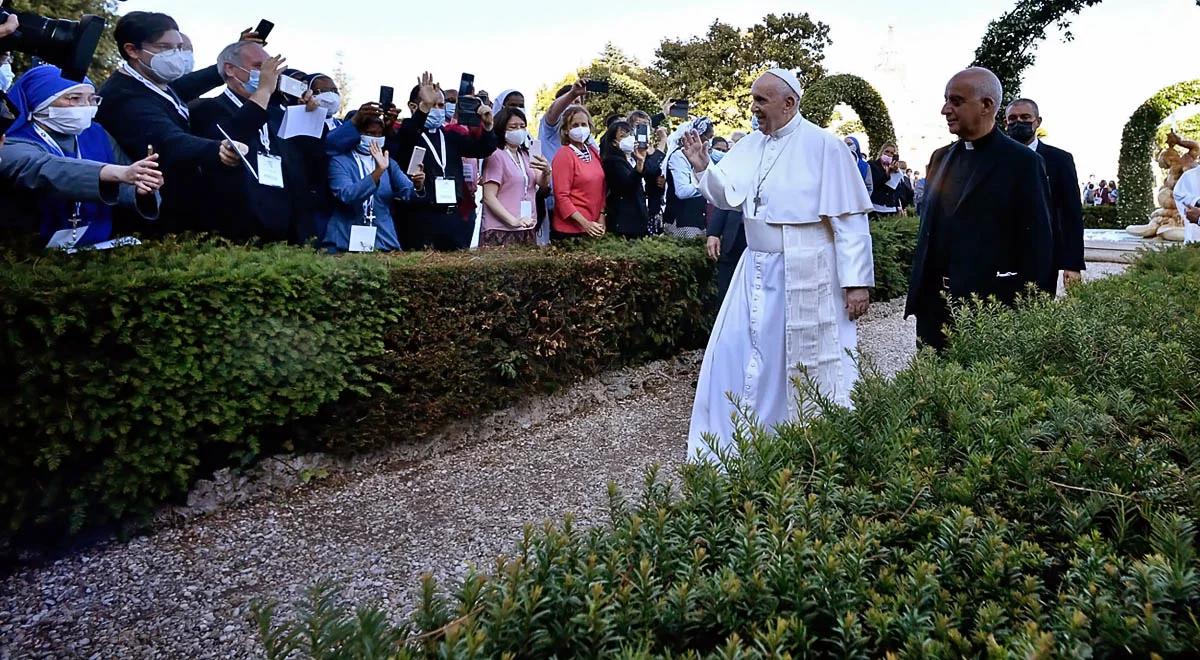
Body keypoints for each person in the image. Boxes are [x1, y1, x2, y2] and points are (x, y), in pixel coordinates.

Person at [680, 68, 875, 461]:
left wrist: (857, 283)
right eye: (753, 99)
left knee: (795, 360)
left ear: (789, 103)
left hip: (807, 267)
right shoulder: (751, 145)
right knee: (738, 351)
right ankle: (739, 441)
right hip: (754, 268)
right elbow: (728, 196)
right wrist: (703, 166)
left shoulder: (826, 146)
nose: (753, 108)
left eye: (761, 100)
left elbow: (850, 221)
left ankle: (801, 446)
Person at [905, 67, 1055, 352]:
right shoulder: (940, 158)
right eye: (946, 100)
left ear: (987, 105)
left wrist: (1031, 314)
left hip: (988, 309)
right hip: (934, 307)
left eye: (956, 101)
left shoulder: (1022, 163)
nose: (945, 109)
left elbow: (1038, 245)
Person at [96, 12, 252, 234]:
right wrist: (216, 148)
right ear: (132, 50)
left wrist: (228, 65)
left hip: (177, 207)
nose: (176, 55)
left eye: (179, 47)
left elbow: (186, 86)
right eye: (164, 47)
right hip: (148, 215)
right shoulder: (124, 96)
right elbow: (167, 140)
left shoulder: (154, 82)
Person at [0, 65, 164, 248]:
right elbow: (42, 168)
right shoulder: (9, 140)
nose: (86, 107)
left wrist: (141, 189)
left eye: (92, 99)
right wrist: (112, 173)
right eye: (74, 98)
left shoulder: (95, 133)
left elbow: (128, 177)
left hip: (95, 249)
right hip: (25, 255)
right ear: (40, 101)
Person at [189, 41, 303, 243]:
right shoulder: (206, 109)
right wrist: (264, 91)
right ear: (230, 69)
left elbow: (304, 164)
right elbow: (232, 138)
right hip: (232, 231)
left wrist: (308, 114)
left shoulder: (277, 114)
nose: (268, 75)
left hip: (281, 229)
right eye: (259, 67)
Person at [393, 72, 497, 251]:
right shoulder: (409, 133)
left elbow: (482, 149)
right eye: (432, 105)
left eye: (440, 105)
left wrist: (488, 127)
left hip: (451, 215)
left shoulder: (450, 135)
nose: (437, 109)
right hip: (420, 216)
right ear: (414, 106)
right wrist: (424, 108)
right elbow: (409, 133)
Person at [1005, 97, 1085, 289]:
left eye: (1025, 117)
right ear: (1005, 122)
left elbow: (1071, 213)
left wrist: (1072, 264)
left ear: (1037, 122)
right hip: (1000, 258)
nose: (1019, 123)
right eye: (1013, 118)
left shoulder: (1060, 160)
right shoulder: (993, 159)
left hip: (1043, 257)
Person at [324, 112, 424, 252]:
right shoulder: (339, 161)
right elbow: (346, 196)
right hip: (344, 239)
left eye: (379, 134)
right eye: (370, 133)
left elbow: (408, 193)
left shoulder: (389, 162)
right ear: (357, 134)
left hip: (383, 240)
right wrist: (377, 173)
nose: (375, 138)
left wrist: (418, 185)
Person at [480, 107, 551, 247]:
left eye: (522, 126)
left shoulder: (526, 154)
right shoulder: (496, 155)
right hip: (500, 229)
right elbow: (489, 196)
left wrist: (546, 172)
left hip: (527, 225)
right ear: (502, 129)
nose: (519, 130)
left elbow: (542, 183)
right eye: (513, 127)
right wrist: (513, 221)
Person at [550, 105, 605, 241]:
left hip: (595, 226)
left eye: (583, 124)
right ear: (566, 130)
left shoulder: (593, 152)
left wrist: (602, 216)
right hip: (570, 230)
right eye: (575, 125)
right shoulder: (564, 154)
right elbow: (561, 196)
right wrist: (585, 223)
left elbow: (602, 188)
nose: (580, 128)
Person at [664, 116, 714, 238]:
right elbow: (682, 191)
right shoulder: (679, 156)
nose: (709, 141)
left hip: (698, 220)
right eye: (708, 137)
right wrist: (706, 187)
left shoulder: (706, 154)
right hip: (682, 222)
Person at [600, 120, 650, 239]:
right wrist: (638, 168)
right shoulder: (613, 162)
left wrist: (642, 159)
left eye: (630, 135)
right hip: (624, 223)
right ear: (614, 143)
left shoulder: (631, 158)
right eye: (623, 136)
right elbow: (627, 186)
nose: (629, 139)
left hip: (637, 219)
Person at [628, 110, 665, 232]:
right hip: (636, 209)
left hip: (654, 207)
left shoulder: (653, 149)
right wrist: (662, 142)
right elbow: (649, 169)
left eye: (646, 125)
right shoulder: (629, 148)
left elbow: (659, 172)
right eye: (638, 125)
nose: (643, 128)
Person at [868, 142, 905, 216]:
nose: (888, 154)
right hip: (876, 205)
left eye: (892, 153)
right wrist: (887, 173)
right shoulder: (872, 165)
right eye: (887, 151)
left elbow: (898, 189)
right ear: (882, 152)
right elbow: (875, 183)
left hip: (890, 206)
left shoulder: (896, 170)